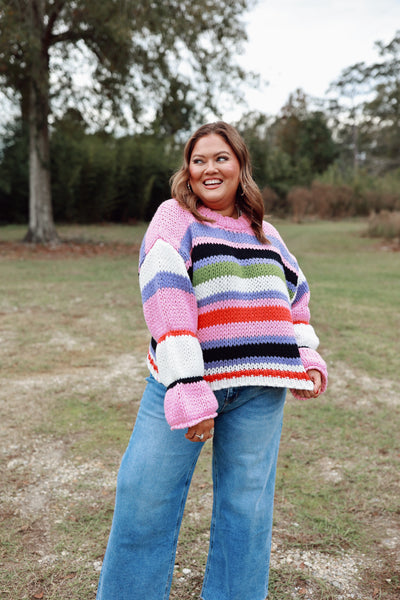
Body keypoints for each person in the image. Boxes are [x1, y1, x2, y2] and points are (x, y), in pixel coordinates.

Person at [96, 121, 328, 600]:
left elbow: (294, 296)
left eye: (220, 157)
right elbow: (166, 295)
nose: (209, 168)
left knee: (246, 512)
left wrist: (305, 355)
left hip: (262, 388)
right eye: (198, 159)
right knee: (144, 497)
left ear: (241, 166)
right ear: (188, 170)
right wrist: (187, 386)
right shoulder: (174, 218)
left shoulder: (267, 232)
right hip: (186, 385)